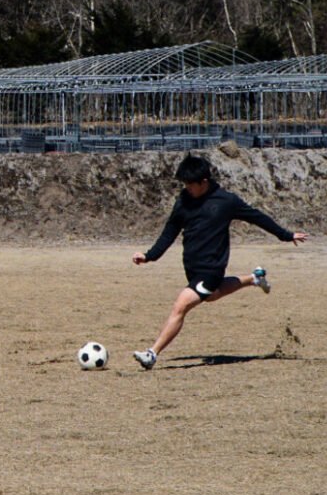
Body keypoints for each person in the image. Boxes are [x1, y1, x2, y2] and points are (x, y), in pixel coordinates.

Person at [130, 153, 307, 369]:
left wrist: (286, 235)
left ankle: (152, 354)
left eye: (190, 184)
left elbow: (257, 217)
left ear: (204, 182)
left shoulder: (226, 201)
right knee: (211, 295)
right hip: (192, 266)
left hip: (211, 267)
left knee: (181, 306)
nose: (187, 188)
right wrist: (149, 256)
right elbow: (169, 233)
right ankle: (254, 278)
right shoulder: (184, 201)